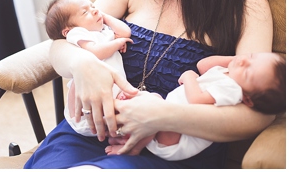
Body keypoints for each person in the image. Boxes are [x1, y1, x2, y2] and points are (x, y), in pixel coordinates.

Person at [24, 0, 276, 168]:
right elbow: (62, 43)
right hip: (91, 132)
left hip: (170, 147)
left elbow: (255, 115)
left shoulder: (248, 8)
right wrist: (83, 64)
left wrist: (160, 116)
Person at [108, 52, 285, 160]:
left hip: (178, 138)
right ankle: (125, 135)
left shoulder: (232, 90)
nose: (245, 62)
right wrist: (235, 60)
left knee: (153, 104)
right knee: (152, 98)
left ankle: (133, 149)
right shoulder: (229, 74)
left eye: (248, 72)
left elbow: (196, 100)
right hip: (167, 119)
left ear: (247, 99)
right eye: (252, 57)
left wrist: (188, 76)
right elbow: (203, 65)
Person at [44, 0, 133, 137]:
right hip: (90, 91)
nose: (94, 10)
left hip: (111, 90)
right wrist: (116, 43)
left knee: (122, 117)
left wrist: (104, 16)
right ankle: (78, 116)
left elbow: (126, 32)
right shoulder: (78, 34)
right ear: (68, 30)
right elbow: (95, 52)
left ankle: (117, 139)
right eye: (85, 12)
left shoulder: (103, 30)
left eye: (93, 6)